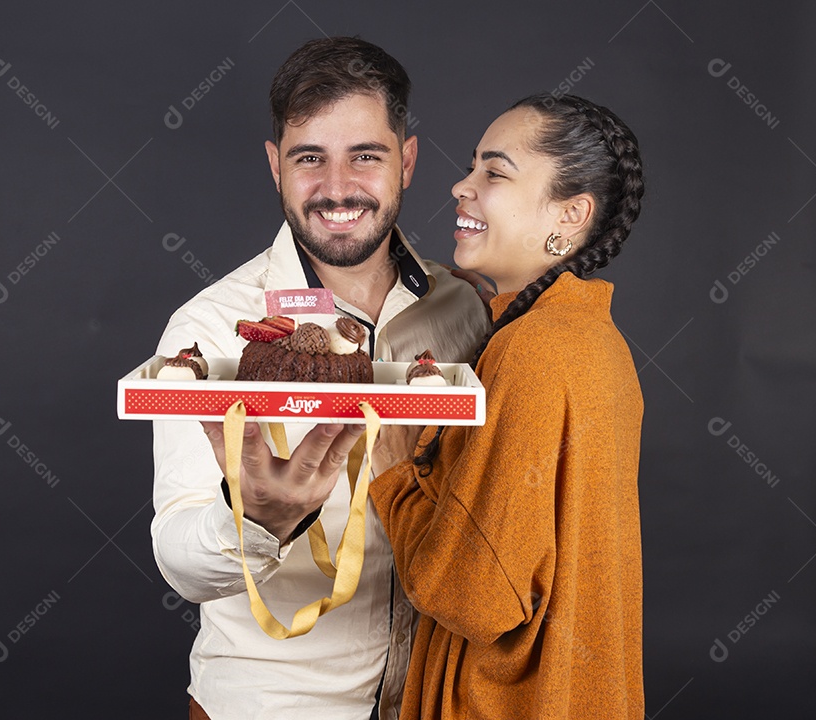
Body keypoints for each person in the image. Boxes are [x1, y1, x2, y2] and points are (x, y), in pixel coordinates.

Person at [150, 37, 490, 719]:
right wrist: (257, 522)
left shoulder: (466, 307)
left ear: (408, 161)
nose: (338, 189)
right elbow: (179, 558)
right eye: (310, 159)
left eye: (366, 156)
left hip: (437, 700)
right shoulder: (210, 328)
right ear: (276, 166)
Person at [369, 93, 646, 719]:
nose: (460, 187)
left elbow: (474, 595)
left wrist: (394, 476)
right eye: (472, 167)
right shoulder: (590, 340)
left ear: (571, 214)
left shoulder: (534, 351)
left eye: (494, 173)